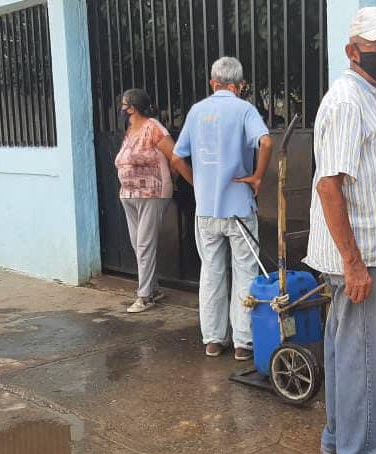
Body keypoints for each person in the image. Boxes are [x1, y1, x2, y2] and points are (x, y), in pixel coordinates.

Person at [304, 7, 376, 454]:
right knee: (365, 360)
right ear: (352, 52)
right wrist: (353, 263)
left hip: (364, 251)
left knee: (345, 348)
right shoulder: (348, 101)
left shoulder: (373, 94)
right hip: (357, 255)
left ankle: (336, 439)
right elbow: (329, 185)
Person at [173, 56, 273, 361]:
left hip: (206, 211)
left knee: (211, 272)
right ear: (240, 85)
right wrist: (256, 177)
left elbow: (178, 157)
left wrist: (197, 184)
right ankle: (243, 343)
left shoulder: (196, 111)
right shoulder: (244, 110)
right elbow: (266, 142)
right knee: (245, 272)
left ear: (213, 83)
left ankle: (213, 340)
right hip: (239, 209)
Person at [115, 88, 192, 314]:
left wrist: (191, 182)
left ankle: (145, 296)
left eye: (124, 104)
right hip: (129, 195)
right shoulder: (129, 130)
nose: (121, 108)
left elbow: (175, 156)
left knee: (145, 244)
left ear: (133, 107)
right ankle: (154, 288)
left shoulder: (153, 128)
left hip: (152, 193)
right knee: (137, 244)